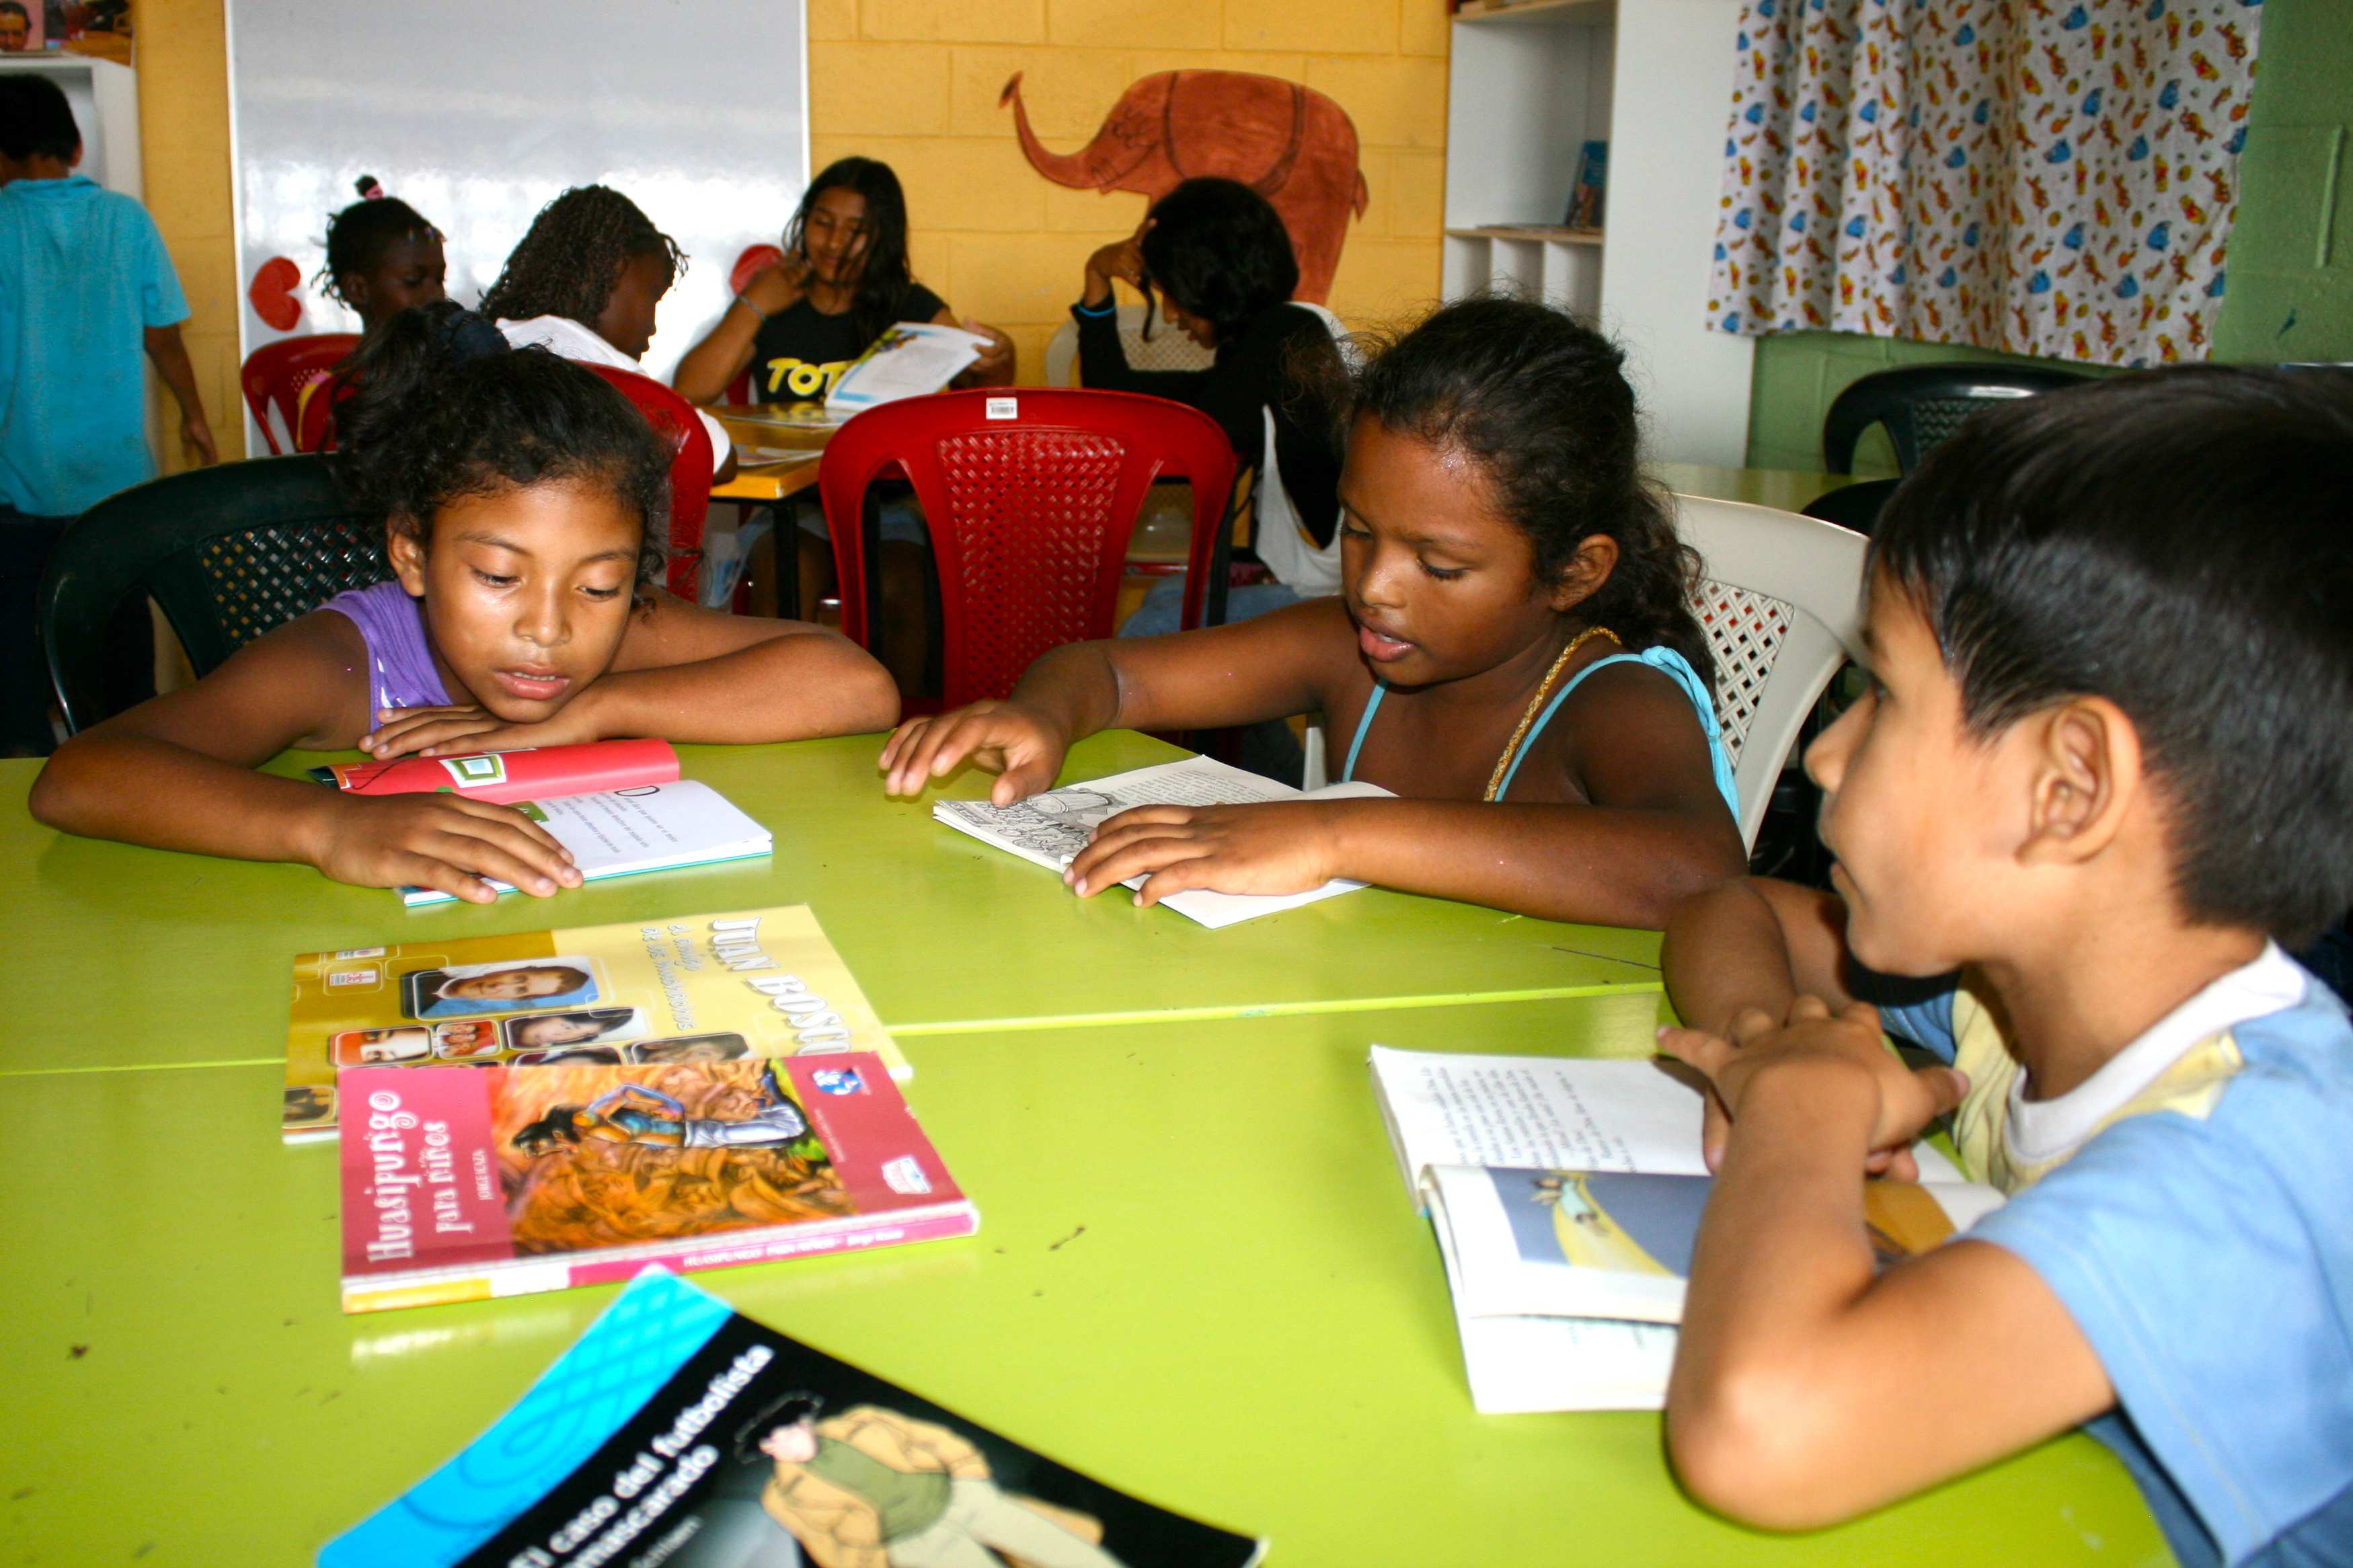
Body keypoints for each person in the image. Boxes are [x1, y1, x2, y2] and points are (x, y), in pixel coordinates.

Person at [1652, 367, 2353, 1566]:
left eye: (1878, 696)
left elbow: (1757, 1431)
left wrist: (1801, 1103)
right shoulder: (2001, 993)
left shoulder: (2250, 1172)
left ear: (2065, 788)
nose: (1822, 756)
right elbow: (1725, 910)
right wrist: (1771, 1034)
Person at [880, 298, 1746, 928]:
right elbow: (1106, 671)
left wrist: (1333, 831)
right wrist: (1042, 713)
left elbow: (1698, 871)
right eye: (1361, 532)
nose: (1375, 585)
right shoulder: (1348, 647)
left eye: (1439, 565)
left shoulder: (1612, 697)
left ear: (1573, 572)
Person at [28, 303, 898, 904]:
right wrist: (328, 827)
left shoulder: (604, 640)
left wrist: (592, 711)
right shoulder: (345, 660)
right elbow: (81, 778)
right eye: (496, 576)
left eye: (598, 584)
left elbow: (855, 686)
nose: (548, 627)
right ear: (413, 553)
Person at [672, 157, 1013, 693]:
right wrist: (754, 304)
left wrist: (999, 361)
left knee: (903, 580)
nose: (835, 242)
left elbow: (982, 396)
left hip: (884, 511)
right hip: (790, 511)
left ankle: (899, 730)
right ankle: (781, 724)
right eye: (823, 222)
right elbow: (689, 392)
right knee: (787, 573)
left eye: (858, 230)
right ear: (802, 223)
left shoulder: (910, 306)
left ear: (884, 238)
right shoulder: (777, 300)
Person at [0, 75, 217, 755]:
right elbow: (164, 338)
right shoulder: (126, 220)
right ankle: (131, 773)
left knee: (13, 658)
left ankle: (22, 792)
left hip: (16, 485)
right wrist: (195, 416)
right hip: (117, 486)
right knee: (121, 648)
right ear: (76, 145)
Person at [1073, 178, 1346, 641]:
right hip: (1311, 577)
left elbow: (1199, 439)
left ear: (1207, 281)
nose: (1172, 314)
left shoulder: (1287, 336)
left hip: (1334, 593)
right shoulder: (1273, 341)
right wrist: (1096, 276)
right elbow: (1119, 396)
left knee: (1152, 629)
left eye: (1172, 291)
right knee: (1163, 601)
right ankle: (1260, 717)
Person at [479, 184, 734, 481]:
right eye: (654, 297)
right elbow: (717, 456)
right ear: (614, 272)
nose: (652, 326)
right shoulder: (603, 369)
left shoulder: (493, 340)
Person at [732, 1395, 1124, 1568]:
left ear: (804, 1421)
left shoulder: (864, 1420)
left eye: (787, 1432)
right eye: (771, 1442)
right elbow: (828, 1550)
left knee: (1071, 1555)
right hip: (915, 1543)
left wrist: (971, 1480)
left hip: (961, 1498)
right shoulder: (782, 1496)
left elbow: (937, 1440)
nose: (783, 1445)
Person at [293, 175, 447, 450]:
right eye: (412, 281)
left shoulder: (457, 379)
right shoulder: (331, 399)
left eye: (439, 279)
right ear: (358, 289)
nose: (435, 296)